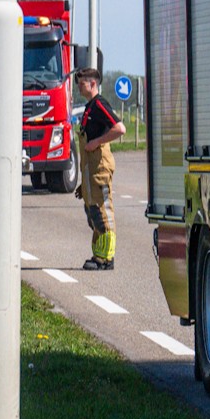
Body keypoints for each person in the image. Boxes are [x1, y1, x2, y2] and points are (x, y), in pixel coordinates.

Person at [74, 67, 125, 271]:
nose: (79, 86)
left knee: (102, 211)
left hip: (99, 167)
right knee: (92, 211)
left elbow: (120, 128)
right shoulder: (89, 107)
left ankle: (106, 258)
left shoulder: (100, 105)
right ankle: (98, 255)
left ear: (93, 83)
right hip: (91, 170)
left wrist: (97, 142)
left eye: (82, 82)